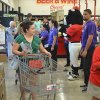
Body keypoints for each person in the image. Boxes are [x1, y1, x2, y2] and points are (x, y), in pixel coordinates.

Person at [12, 21, 51, 100]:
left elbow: (42, 49)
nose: (35, 30)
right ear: (27, 30)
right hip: (23, 63)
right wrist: (21, 53)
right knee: (23, 83)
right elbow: (14, 50)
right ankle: (23, 98)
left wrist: (47, 52)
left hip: (35, 63)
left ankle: (34, 98)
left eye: (34, 28)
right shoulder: (20, 38)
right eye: (32, 28)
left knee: (33, 83)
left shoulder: (36, 38)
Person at [80, 9, 97, 92]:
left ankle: (89, 86)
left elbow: (90, 38)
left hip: (89, 49)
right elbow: (84, 38)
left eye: (86, 14)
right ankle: (86, 83)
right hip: (85, 48)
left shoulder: (91, 24)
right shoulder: (86, 24)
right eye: (83, 14)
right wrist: (82, 48)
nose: (84, 15)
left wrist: (86, 49)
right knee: (85, 67)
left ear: (90, 14)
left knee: (88, 67)